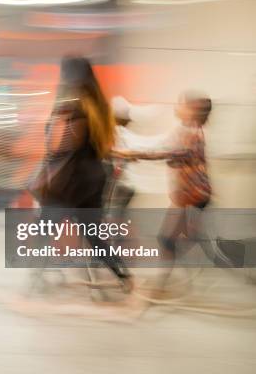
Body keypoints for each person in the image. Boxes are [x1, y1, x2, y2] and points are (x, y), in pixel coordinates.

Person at [30, 56, 133, 292]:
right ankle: (124, 277)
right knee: (94, 236)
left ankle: (33, 282)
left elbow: (62, 145)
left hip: (70, 181)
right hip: (93, 179)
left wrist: (55, 127)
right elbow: (102, 146)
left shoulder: (75, 106)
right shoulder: (99, 107)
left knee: (45, 229)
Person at [118, 92, 212, 292]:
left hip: (193, 197)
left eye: (182, 104)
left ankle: (163, 282)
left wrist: (133, 153)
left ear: (192, 111)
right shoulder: (184, 129)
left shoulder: (191, 133)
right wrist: (133, 152)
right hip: (188, 196)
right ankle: (167, 279)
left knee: (168, 239)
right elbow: (160, 146)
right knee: (172, 239)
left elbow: (167, 152)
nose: (177, 107)